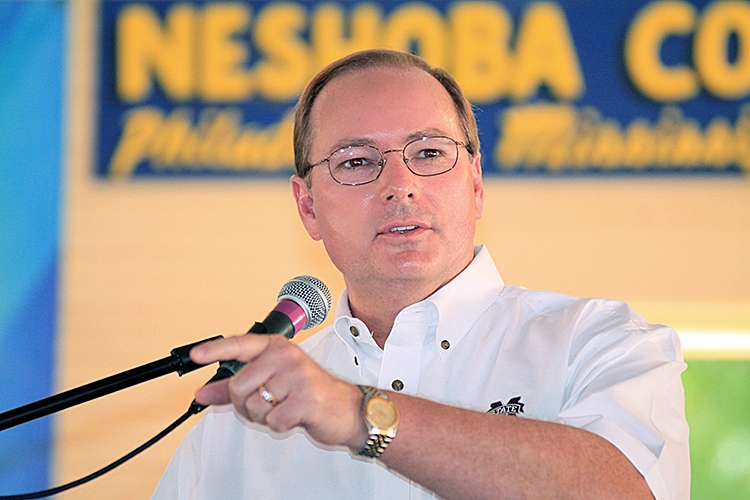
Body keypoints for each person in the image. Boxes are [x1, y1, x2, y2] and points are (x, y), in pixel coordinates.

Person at [152, 49, 689, 499]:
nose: (400, 184)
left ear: (475, 183)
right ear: (308, 207)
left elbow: (627, 491)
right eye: (357, 161)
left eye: (429, 152)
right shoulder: (239, 422)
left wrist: (360, 414)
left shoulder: (599, 343)